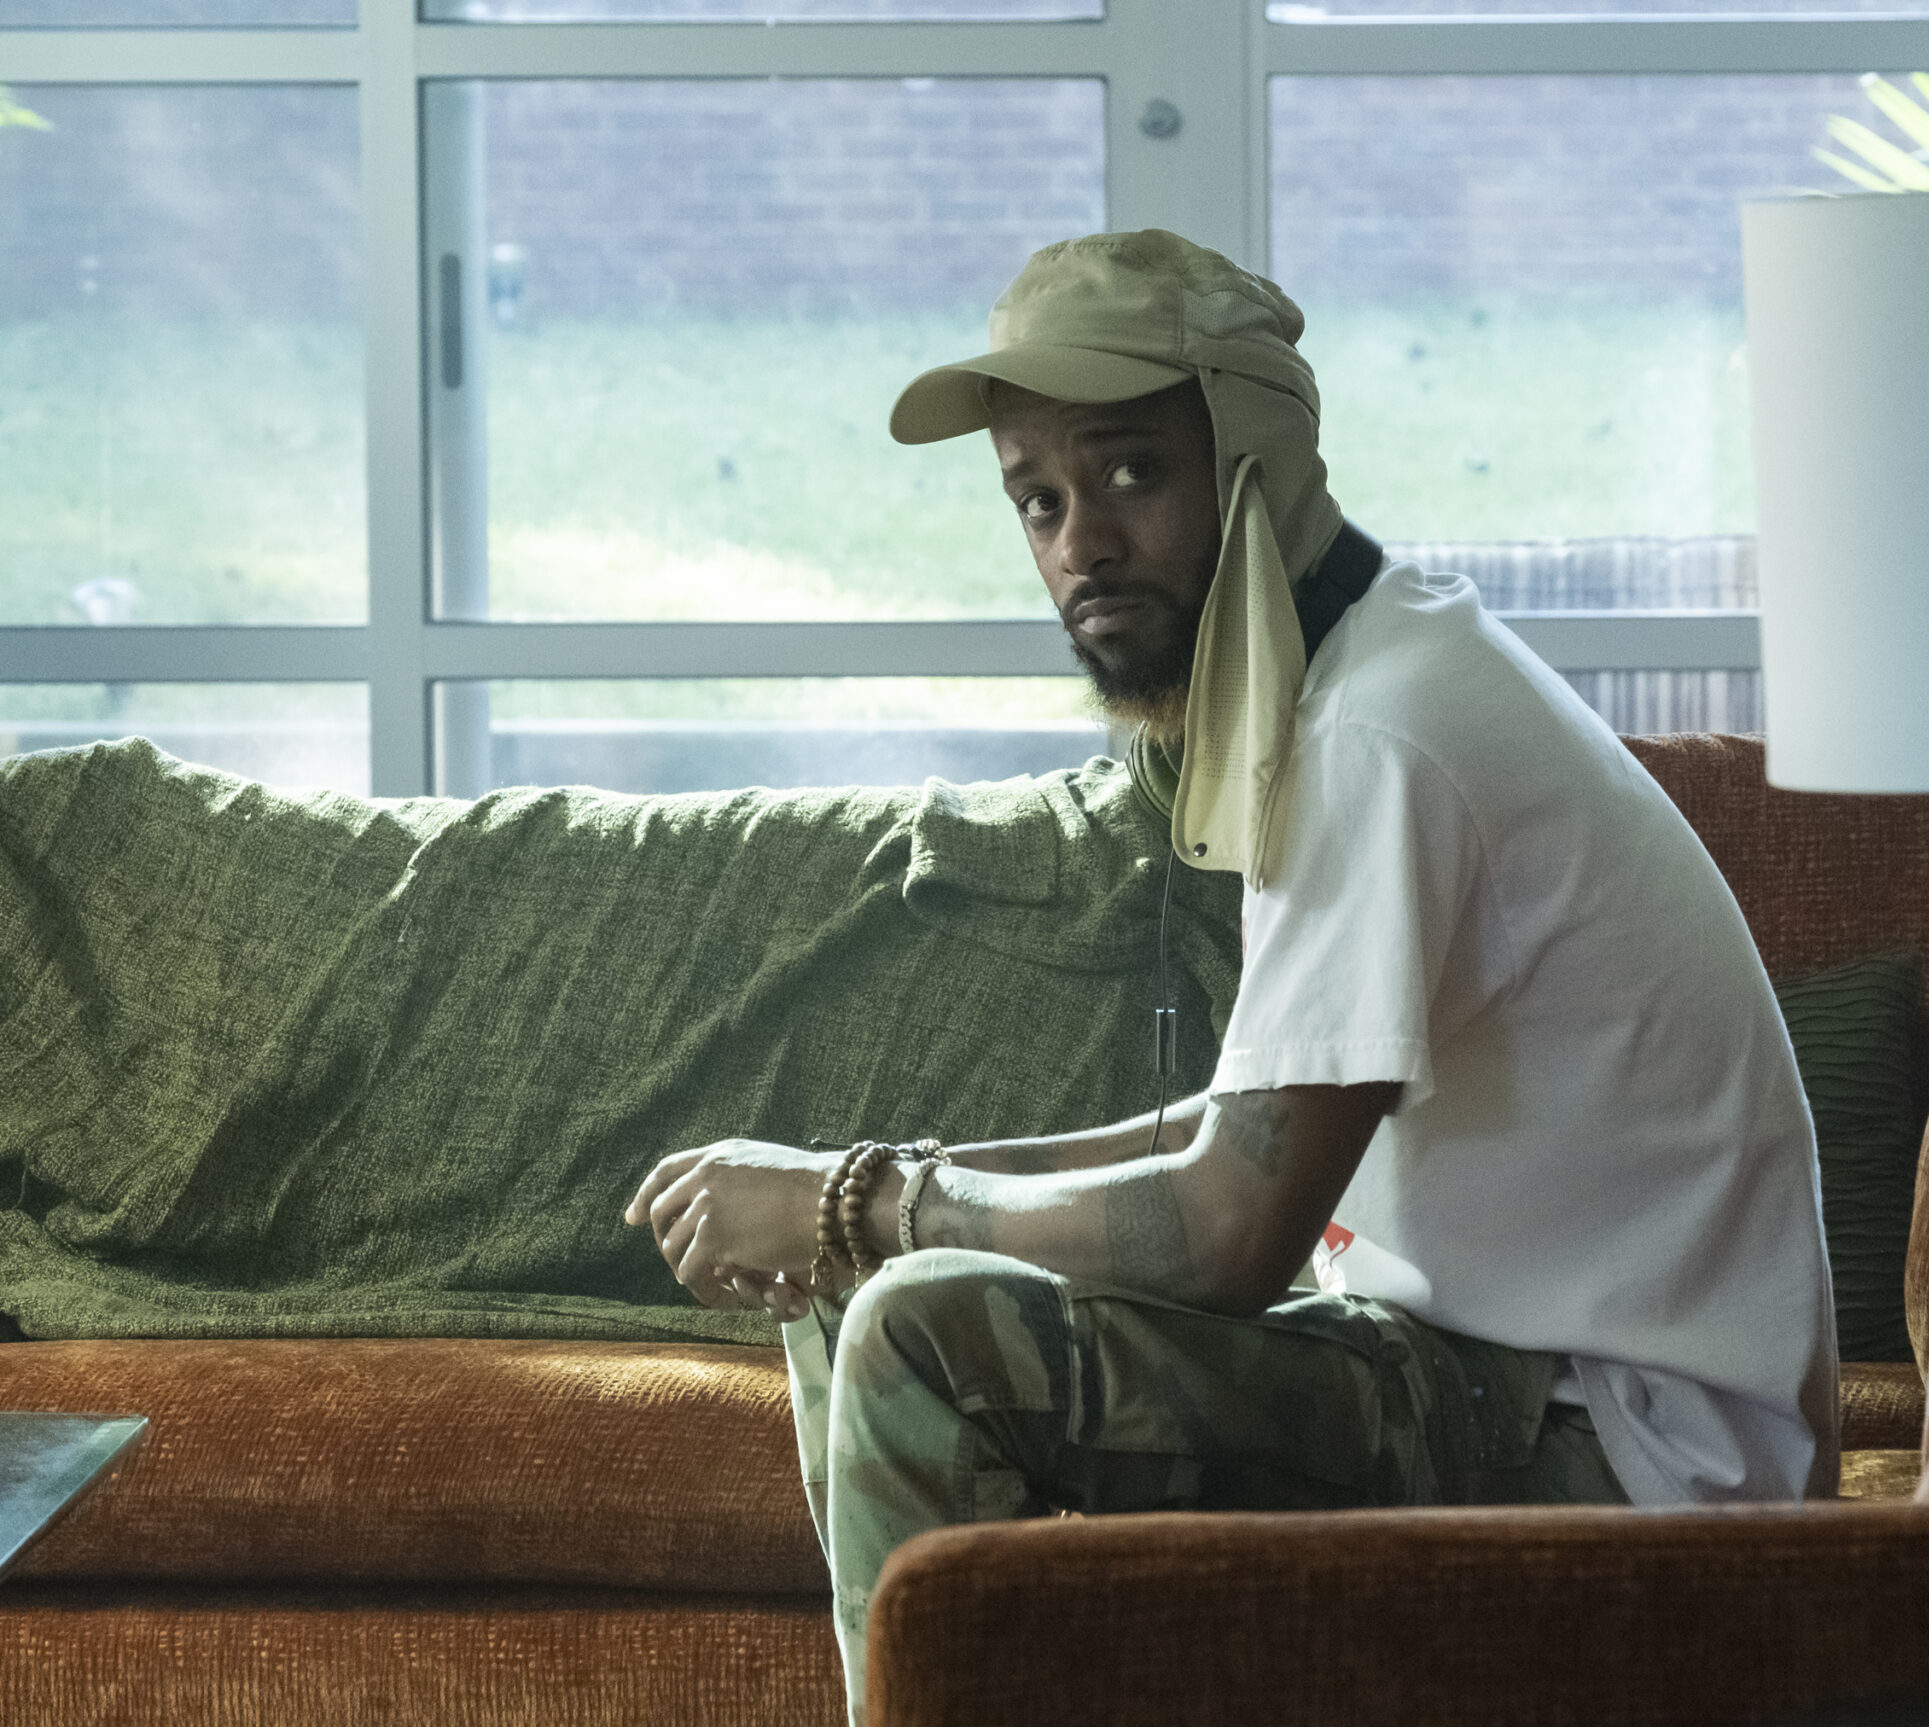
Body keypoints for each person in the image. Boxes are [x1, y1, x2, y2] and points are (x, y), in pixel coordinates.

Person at [625, 228, 1835, 1720]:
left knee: (918, 1332)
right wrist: (863, 1194)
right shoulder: (1353, 669)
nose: (1080, 546)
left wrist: (858, 1198)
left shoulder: (1375, 734)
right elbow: (1239, 1134)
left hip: (1642, 1463)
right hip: (1496, 1380)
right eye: (1038, 499)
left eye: (1132, 473)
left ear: (1254, 459)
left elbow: (1232, 1231)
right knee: (865, 1284)